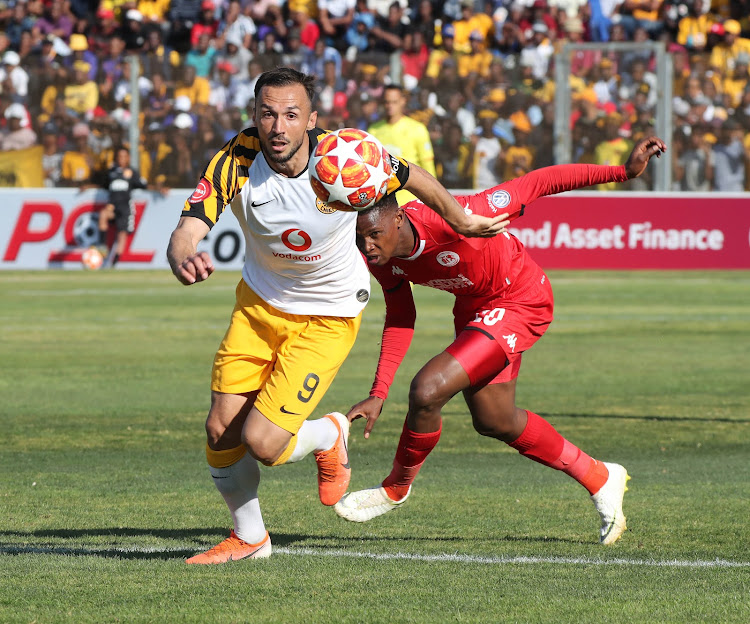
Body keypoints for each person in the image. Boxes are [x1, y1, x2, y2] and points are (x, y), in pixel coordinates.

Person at [167, 67, 506, 565]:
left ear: (311, 119)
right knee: (221, 429)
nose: (278, 127)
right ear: (254, 117)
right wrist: (182, 254)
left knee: (262, 442)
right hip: (260, 304)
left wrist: (459, 218)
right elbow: (190, 224)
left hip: (329, 313)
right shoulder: (235, 159)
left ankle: (330, 433)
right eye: (267, 114)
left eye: (291, 115)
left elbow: (408, 173)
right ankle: (250, 538)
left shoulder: (343, 156)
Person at [334, 135, 668, 546]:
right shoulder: (382, 259)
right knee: (494, 420)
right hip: (476, 311)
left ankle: (395, 487)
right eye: (359, 238)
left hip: (520, 299)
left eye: (373, 235)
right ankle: (600, 476)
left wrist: (624, 172)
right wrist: (378, 391)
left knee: (427, 388)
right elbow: (402, 316)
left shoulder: (456, 217)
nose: (366, 247)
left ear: (398, 219)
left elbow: (540, 182)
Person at [368, 84, 436, 203]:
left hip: (411, 201)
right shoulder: (373, 131)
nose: (390, 106)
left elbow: (429, 169)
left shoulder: (417, 129)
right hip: (383, 202)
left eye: (394, 102)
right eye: (387, 102)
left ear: (403, 101)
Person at [97, 145, 147, 267]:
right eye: (119, 156)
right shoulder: (111, 172)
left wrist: (158, 188)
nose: (122, 159)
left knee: (122, 233)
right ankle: (102, 246)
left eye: (124, 156)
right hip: (112, 206)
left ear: (128, 158)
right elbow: (101, 185)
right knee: (103, 215)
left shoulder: (132, 172)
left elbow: (143, 185)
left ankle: (114, 262)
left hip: (125, 207)